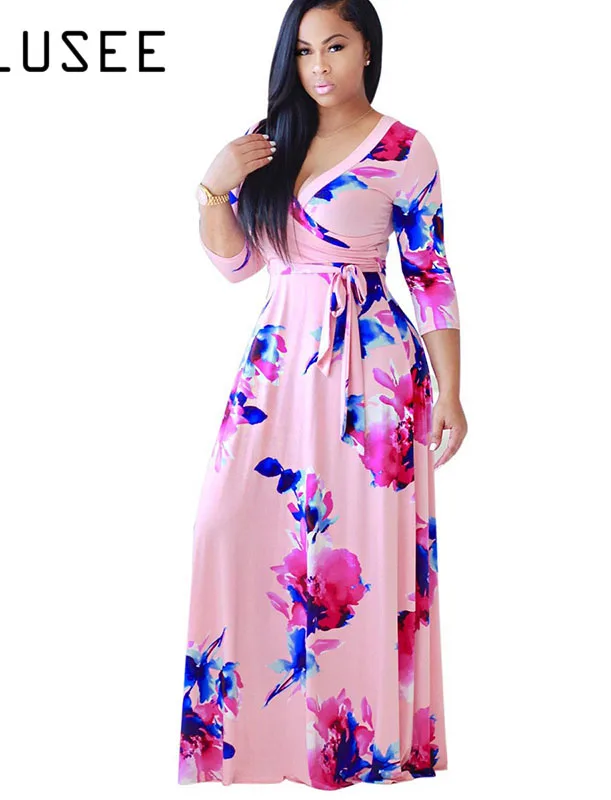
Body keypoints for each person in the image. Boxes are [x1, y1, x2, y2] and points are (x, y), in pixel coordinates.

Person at [179, 0, 467, 789]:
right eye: (305, 51)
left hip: (372, 372)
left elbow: (430, 274)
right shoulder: (270, 140)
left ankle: (356, 747)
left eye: (335, 47)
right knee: (223, 524)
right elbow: (238, 265)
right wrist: (212, 188)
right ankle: (258, 743)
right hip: (277, 364)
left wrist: (451, 390)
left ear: (367, 49)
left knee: (358, 553)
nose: (319, 66)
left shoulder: (405, 148)